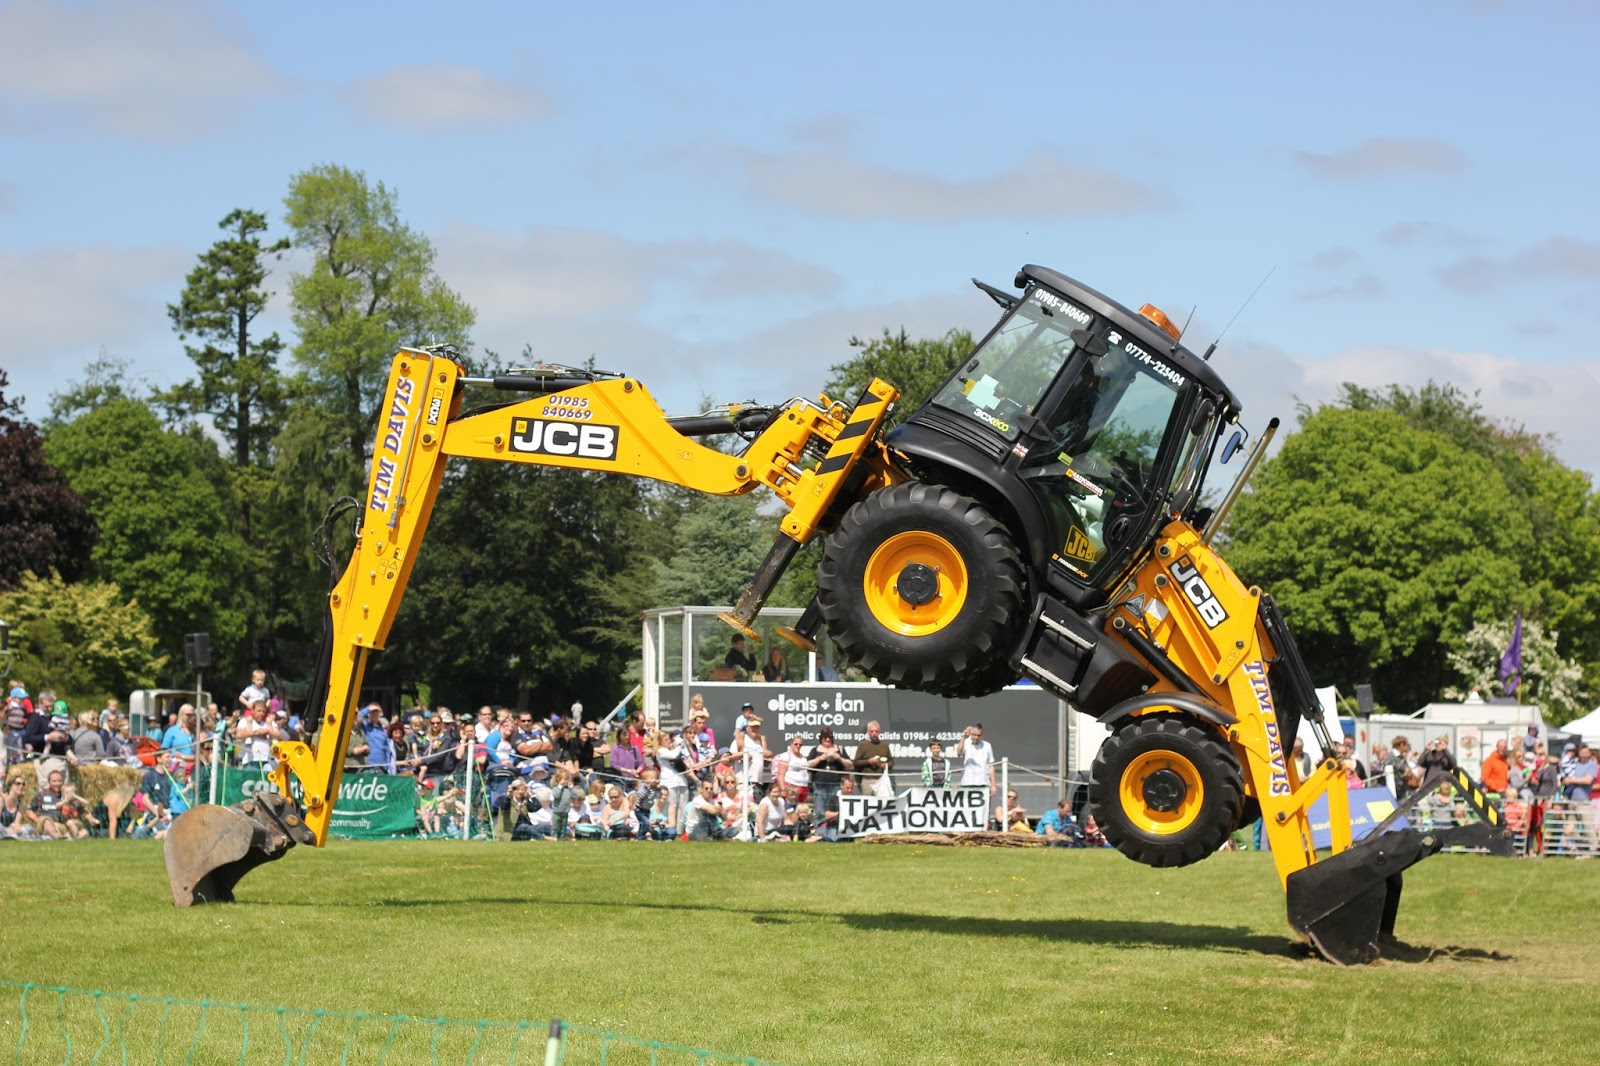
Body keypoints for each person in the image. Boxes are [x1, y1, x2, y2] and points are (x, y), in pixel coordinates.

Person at [806, 727, 852, 822]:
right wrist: (820, 758)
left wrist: (839, 758)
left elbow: (850, 764)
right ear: (821, 738)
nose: (827, 739)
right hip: (820, 785)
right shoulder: (815, 750)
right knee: (820, 810)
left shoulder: (839, 749)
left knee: (835, 809)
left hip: (836, 785)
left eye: (830, 737)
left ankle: (835, 829)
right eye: (825, 737)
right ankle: (820, 831)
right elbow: (808, 764)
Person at [656, 729, 694, 836]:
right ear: (660, 742)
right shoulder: (660, 751)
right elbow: (672, 756)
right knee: (672, 807)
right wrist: (679, 746)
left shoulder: (673, 749)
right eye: (666, 740)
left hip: (681, 781)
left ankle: (680, 831)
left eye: (669, 739)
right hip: (669, 782)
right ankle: (671, 830)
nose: (669, 741)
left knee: (683, 807)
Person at [733, 712, 772, 800]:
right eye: (752, 727)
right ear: (747, 728)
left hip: (758, 783)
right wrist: (743, 754)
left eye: (757, 727)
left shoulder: (760, 741)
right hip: (743, 783)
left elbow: (766, 763)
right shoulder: (740, 739)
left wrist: (768, 755)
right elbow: (730, 758)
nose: (755, 729)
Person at [852, 720, 894, 797]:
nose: (874, 734)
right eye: (872, 731)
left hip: (882, 780)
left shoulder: (884, 745)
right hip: (868, 780)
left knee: (883, 804)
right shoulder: (863, 745)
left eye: (876, 731)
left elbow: (891, 761)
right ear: (868, 732)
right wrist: (868, 762)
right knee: (868, 804)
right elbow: (856, 762)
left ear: (879, 732)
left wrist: (886, 765)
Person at [27, 768, 72, 839]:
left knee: (82, 832)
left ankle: (58, 836)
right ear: (49, 782)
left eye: (59, 781)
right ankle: (56, 836)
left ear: (63, 782)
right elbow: (29, 810)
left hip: (58, 824)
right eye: (54, 781)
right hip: (43, 823)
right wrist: (37, 819)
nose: (57, 784)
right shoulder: (41, 795)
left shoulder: (65, 796)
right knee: (46, 821)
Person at [956, 723, 996, 793]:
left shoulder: (987, 745)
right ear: (970, 733)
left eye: (978, 735)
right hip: (968, 782)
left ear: (982, 735)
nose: (976, 737)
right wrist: (963, 738)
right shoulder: (965, 742)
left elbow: (991, 766)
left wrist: (993, 785)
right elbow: (959, 753)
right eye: (974, 735)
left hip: (984, 783)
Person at [774, 734, 810, 802]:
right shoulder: (785, 756)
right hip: (791, 787)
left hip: (803, 787)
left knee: (801, 809)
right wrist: (782, 789)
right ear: (791, 744)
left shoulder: (803, 758)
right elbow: (781, 774)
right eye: (796, 744)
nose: (798, 746)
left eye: (800, 745)